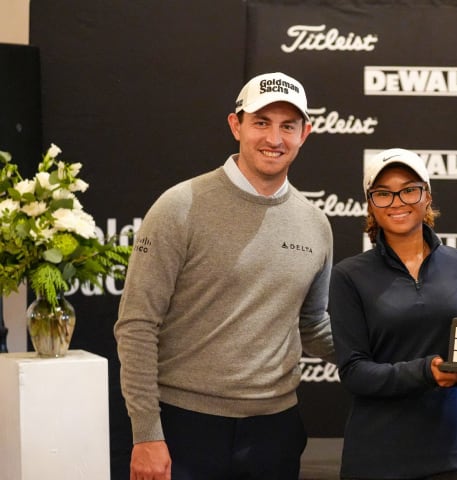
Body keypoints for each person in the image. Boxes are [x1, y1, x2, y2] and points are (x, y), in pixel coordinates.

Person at [114, 72, 336, 480]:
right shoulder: (179, 206)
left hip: (276, 430)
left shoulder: (315, 224)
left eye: (288, 126)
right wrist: (146, 433)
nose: (275, 138)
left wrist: (390, 356)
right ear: (236, 125)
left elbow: (313, 325)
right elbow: (137, 325)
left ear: (306, 133)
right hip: (185, 427)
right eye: (261, 122)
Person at [329, 148, 457, 480]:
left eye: (409, 189)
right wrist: (426, 371)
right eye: (383, 194)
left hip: (451, 452)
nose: (397, 201)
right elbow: (354, 372)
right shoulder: (348, 275)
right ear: (370, 204)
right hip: (376, 455)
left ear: (427, 196)